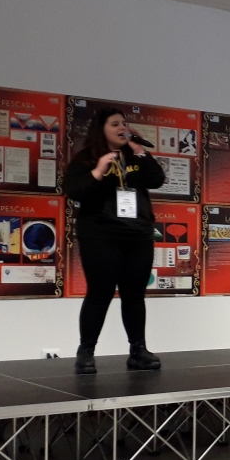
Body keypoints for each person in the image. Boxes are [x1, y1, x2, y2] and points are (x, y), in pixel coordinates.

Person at [63, 108, 166, 375]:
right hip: (101, 235)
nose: (122, 128)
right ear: (102, 129)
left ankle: (138, 351)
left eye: (124, 124)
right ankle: (86, 352)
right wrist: (99, 170)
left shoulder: (134, 156)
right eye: (115, 124)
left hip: (138, 235)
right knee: (100, 294)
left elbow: (157, 179)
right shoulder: (86, 159)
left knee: (134, 296)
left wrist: (140, 150)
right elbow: (74, 191)